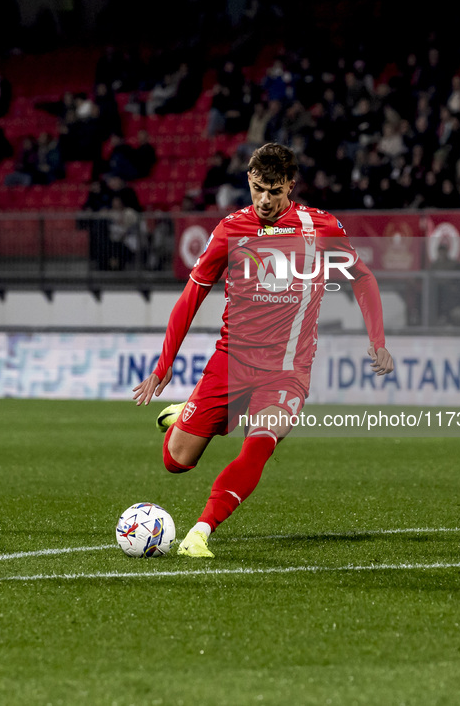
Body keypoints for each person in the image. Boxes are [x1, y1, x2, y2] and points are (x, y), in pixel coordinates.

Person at [133, 143, 394, 558]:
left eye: (274, 190)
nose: (265, 200)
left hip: (287, 370)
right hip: (232, 362)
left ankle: (200, 532)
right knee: (177, 461)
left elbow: (362, 278)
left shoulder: (319, 227)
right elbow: (191, 296)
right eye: (257, 189)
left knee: (259, 443)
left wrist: (377, 341)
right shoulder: (230, 230)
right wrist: (165, 366)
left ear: (291, 185)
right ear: (249, 183)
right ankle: (186, 413)